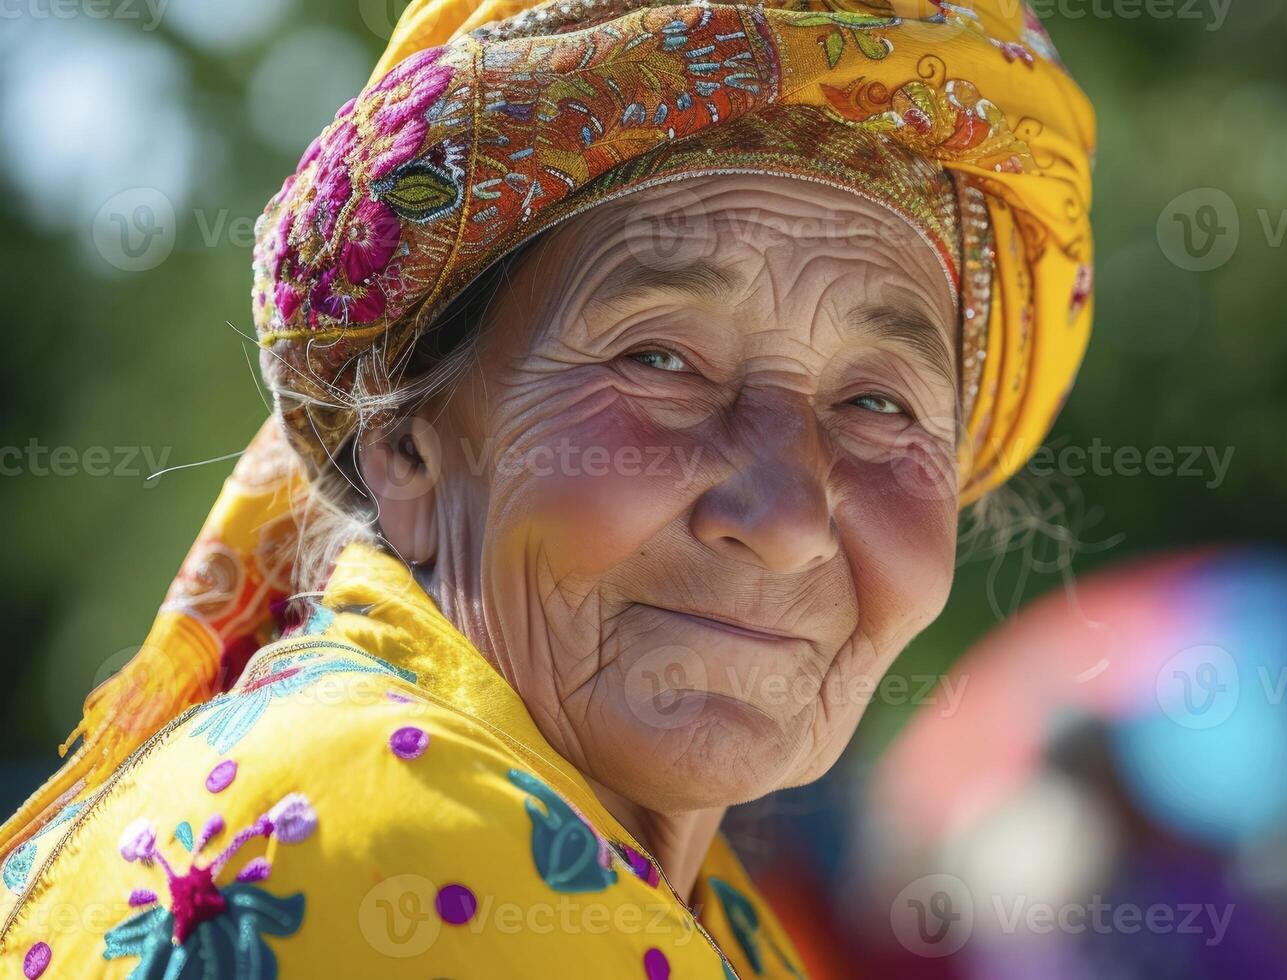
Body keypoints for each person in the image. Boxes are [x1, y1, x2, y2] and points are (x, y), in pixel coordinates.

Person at [0, 0, 1093, 974]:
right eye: (661, 360)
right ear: (409, 447)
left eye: (880, 405)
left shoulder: (684, 901)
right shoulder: (384, 836)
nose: (788, 518)